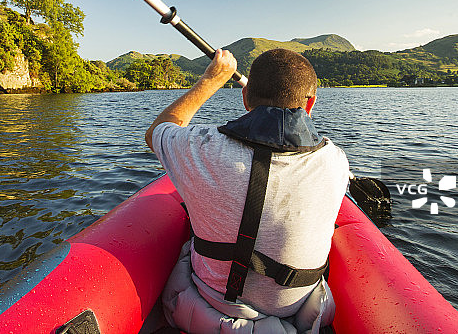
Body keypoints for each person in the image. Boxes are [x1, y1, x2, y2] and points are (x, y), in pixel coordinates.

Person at [146, 48, 350, 333]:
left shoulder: (200, 146)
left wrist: (211, 80)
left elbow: (157, 131)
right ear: (310, 104)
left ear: (244, 98)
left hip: (212, 307)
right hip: (299, 311)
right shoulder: (336, 160)